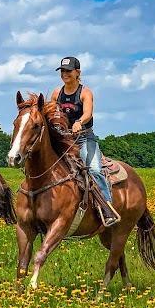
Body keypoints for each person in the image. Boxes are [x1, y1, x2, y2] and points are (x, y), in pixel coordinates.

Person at [50, 56, 120, 227]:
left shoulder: (85, 92)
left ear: (77, 72)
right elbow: (51, 112)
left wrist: (79, 122)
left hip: (83, 138)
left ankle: (106, 208)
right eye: (62, 71)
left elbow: (88, 113)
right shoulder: (56, 93)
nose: (65, 74)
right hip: (62, 139)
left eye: (68, 71)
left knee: (95, 170)